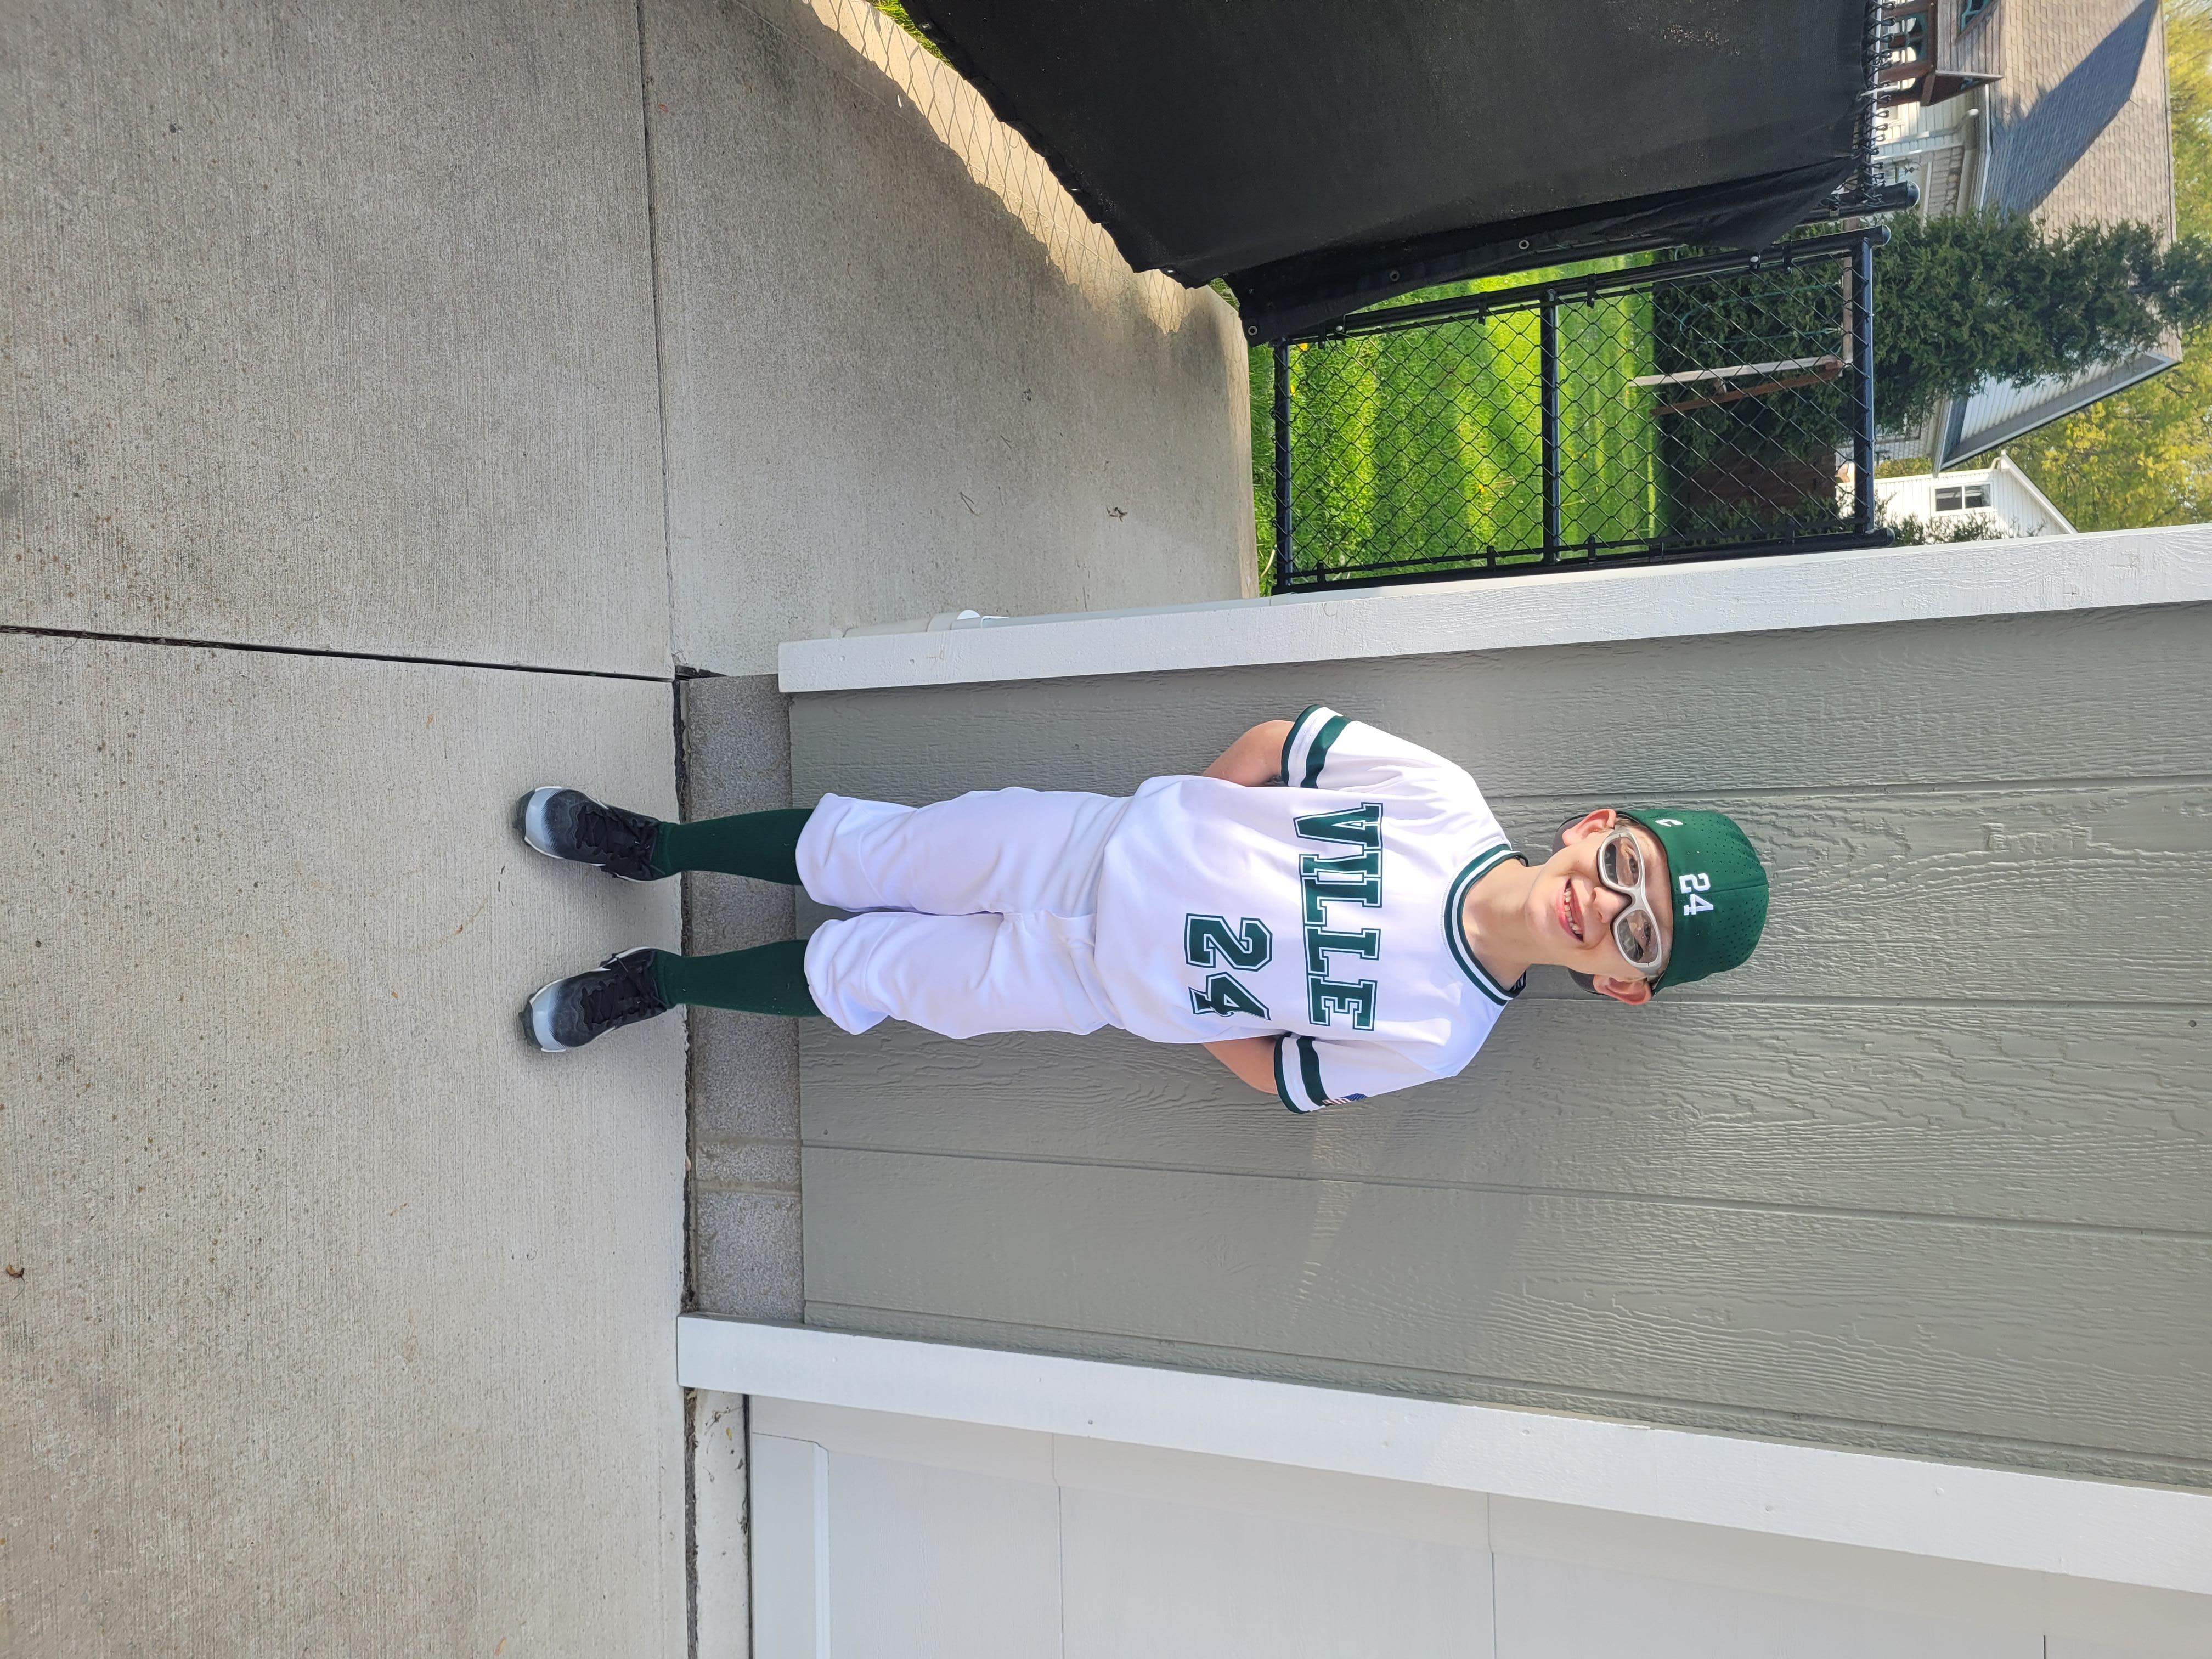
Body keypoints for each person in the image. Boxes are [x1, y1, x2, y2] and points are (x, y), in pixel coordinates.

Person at [516, 704, 1768, 1111]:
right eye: (1626, 866)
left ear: (1624, 981)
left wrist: (1165, 998)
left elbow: (1285, 1071)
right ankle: (650, 845)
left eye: (1638, 929)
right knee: (870, 850)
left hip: (1087, 989)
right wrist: (1180, 829)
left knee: (872, 975)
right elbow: (1283, 743)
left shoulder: (1447, 1035)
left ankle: (657, 985)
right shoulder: (1443, 800)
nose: (1605, 903)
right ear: (1597, 828)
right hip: (1090, 846)